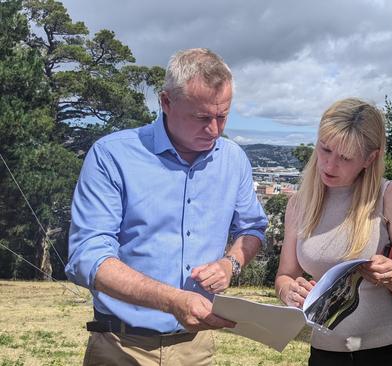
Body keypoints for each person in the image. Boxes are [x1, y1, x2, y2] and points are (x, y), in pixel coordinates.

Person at [65, 48, 268, 365]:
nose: (215, 130)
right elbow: (88, 256)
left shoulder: (233, 159)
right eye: (201, 117)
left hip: (197, 347)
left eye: (223, 116)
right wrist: (172, 300)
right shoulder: (112, 155)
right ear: (166, 102)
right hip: (120, 346)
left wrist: (232, 263)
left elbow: (252, 228)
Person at [275, 98, 392, 366]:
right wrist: (288, 291)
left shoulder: (389, 195)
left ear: (370, 158)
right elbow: (285, 275)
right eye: (325, 149)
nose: (329, 165)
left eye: (345, 158)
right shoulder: (299, 203)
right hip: (326, 353)